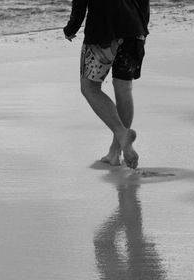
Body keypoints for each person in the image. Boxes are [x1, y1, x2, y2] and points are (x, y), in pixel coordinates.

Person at [63, 0, 150, 169]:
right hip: (135, 29)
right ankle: (115, 152)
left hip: (104, 30)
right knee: (124, 87)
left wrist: (71, 28)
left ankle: (122, 134)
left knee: (89, 87)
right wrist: (142, 27)